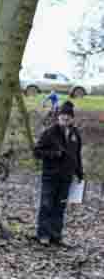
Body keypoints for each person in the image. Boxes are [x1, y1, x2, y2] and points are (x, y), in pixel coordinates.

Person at [34, 100, 83, 246]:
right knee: (47, 204)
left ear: (72, 118)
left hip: (66, 177)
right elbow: (37, 152)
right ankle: (43, 234)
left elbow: (77, 154)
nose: (65, 119)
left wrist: (79, 172)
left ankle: (56, 235)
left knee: (60, 206)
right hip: (50, 176)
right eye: (63, 116)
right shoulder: (50, 132)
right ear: (58, 117)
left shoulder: (75, 134)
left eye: (68, 117)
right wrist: (54, 154)